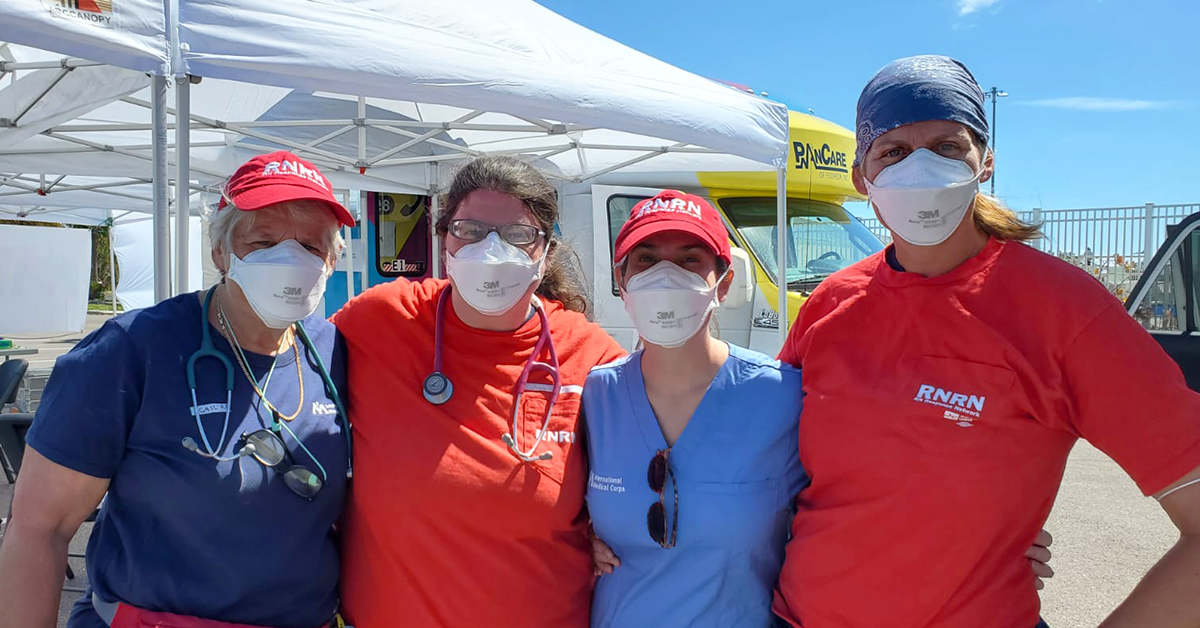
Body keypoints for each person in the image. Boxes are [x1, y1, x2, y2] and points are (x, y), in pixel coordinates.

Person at [771, 55, 1200, 628]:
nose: (919, 169)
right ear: (861, 176)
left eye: (947, 148)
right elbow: (769, 470)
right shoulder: (830, 303)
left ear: (985, 163)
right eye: (893, 152)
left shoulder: (1063, 309)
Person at [0, 151, 354, 628]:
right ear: (220, 253)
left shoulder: (334, 352)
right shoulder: (132, 350)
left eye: (311, 247)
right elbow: (39, 529)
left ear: (332, 259)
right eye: (263, 241)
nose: (288, 260)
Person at [333, 155, 626, 628]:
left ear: (546, 251)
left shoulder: (591, 355)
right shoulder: (380, 320)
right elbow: (290, 383)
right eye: (469, 230)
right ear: (443, 238)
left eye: (516, 235)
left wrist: (609, 526)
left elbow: (635, 477)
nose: (490, 250)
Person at [583, 191, 806, 628]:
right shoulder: (596, 397)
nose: (665, 277)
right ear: (621, 281)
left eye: (689, 261)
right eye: (646, 260)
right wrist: (578, 537)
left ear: (722, 284)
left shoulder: (782, 396)